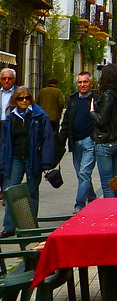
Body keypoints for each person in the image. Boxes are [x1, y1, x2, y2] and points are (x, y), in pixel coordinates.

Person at [0, 87, 58, 237]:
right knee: (11, 191)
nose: (24, 101)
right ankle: (9, 227)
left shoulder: (39, 115)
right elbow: (5, 142)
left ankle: (29, 227)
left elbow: (47, 139)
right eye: (20, 98)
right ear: (15, 100)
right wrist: (3, 161)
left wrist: (46, 162)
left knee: (32, 192)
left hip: (33, 159)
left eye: (27, 98)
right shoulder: (11, 117)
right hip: (15, 159)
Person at [58, 71, 98, 212]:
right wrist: (61, 141)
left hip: (89, 142)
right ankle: (92, 198)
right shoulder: (73, 99)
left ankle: (79, 205)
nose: (82, 85)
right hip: (75, 142)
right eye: (80, 82)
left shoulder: (96, 99)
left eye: (85, 82)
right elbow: (67, 121)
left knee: (84, 174)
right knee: (81, 174)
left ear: (91, 83)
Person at [92, 64, 117, 199]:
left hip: (104, 140)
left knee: (107, 184)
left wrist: (91, 111)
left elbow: (101, 119)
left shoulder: (108, 95)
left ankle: (111, 214)